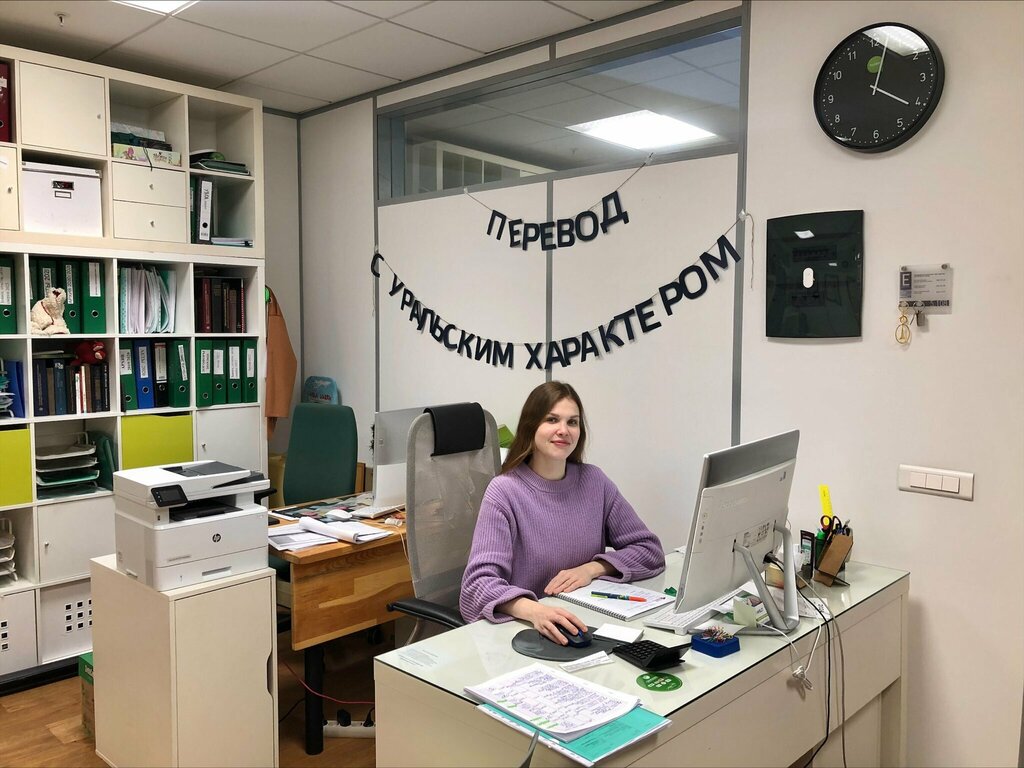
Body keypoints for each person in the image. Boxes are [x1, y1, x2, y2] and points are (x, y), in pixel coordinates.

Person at [460, 381, 665, 644]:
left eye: (572, 422)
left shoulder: (594, 481)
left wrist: (592, 569)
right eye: (552, 419)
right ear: (531, 426)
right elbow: (477, 585)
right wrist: (535, 611)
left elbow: (649, 550)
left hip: (584, 623)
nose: (563, 430)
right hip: (526, 631)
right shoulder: (504, 491)